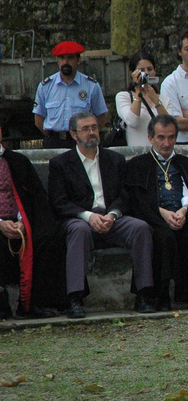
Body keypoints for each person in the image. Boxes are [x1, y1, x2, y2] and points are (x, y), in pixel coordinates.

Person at [48, 112, 157, 318]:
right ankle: (75, 298)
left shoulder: (115, 160)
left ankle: (144, 294)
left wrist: (113, 215)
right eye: (85, 129)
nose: (92, 132)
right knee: (79, 231)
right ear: (73, 134)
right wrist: (88, 216)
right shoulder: (61, 163)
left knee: (140, 228)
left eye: (94, 128)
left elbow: (125, 195)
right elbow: (59, 202)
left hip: (112, 218)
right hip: (80, 219)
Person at [124, 115, 188, 309]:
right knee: (163, 236)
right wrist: (163, 213)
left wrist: (184, 211)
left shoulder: (185, 163)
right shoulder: (138, 164)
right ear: (150, 138)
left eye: (171, 137)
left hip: (183, 215)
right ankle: (160, 295)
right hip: (154, 217)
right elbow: (137, 200)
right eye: (161, 137)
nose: (166, 143)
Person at [0, 122, 65, 320]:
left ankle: (34, 303)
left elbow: (35, 197)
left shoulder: (18, 161)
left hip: (21, 219)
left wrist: (22, 221)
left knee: (48, 234)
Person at [34, 41, 108, 149]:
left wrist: (86, 135)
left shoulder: (91, 86)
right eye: (62, 58)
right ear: (57, 60)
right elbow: (38, 120)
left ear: (78, 60)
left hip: (82, 142)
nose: (65, 62)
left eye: (70, 58)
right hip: (54, 142)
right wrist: (53, 136)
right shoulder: (45, 86)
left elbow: (100, 118)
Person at [115, 52, 171, 148]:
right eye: (142, 70)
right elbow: (132, 121)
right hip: (136, 153)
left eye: (150, 69)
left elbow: (169, 126)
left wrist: (156, 101)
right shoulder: (123, 97)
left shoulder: (165, 100)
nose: (147, 73)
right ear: (132, 73)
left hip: (159, 152)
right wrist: (138, 91)